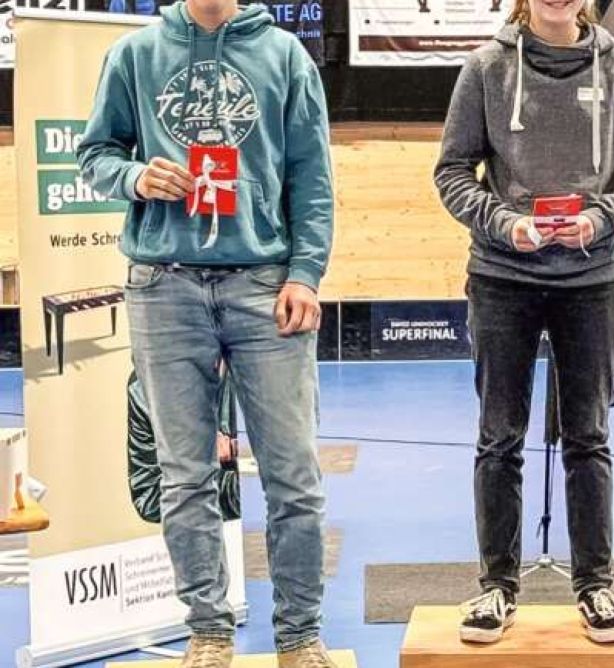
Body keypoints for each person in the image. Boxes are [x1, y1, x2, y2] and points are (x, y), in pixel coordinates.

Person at [77, 0, 336, 665]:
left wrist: (305, 274)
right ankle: (209, 633)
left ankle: (300, 636)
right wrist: (135, 176)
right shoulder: (135, 55)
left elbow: (311, 176)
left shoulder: (285, 56)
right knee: (185, 476)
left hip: (265, 288)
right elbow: (96, 154)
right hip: (163, 287)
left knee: (294, 477)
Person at [433, 0, 614, 645]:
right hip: (502, 277)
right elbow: (452, 171)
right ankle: (496, 588)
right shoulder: (485, 68)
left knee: (589, 435)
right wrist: (505, 223)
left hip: (591, 281)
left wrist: (600, 218)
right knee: (498, 436)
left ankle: (595, 585)